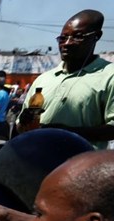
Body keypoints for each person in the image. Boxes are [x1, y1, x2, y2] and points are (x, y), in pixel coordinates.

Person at [20, 9, 114, 149]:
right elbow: (21, 126)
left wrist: (64, 133)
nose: (67, 43)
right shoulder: (43, 79)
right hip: (36, 162)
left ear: (96, 36)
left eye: (77, 36)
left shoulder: (109, 75)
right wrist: (23, 121)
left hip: (80, 166)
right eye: (63, 38)